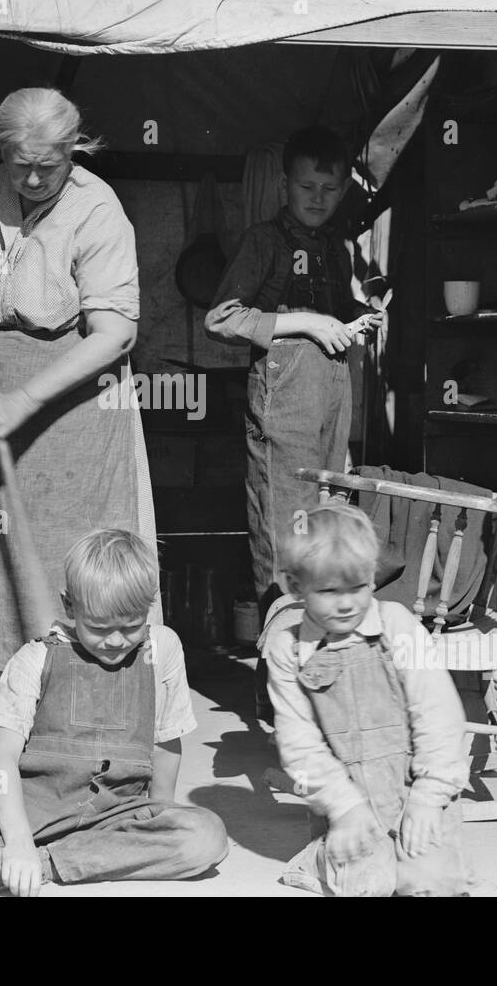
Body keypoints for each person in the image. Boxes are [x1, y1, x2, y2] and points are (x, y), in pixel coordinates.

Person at [0, 88, 158, 721]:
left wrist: (28, 398)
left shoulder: (97, 211)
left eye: (46, 166)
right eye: (17, 162)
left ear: (73, 151)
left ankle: (76, 704)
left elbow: (116, 334)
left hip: (70, 411)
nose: (29, 178)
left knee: (71, 554)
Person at [0, 529, 228, 896]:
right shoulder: (35, 658)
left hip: (115, 812)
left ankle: (44, 865)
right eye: (100, 628)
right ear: (70, 606)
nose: (117, 641)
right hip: (26, 808)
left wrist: (160, 815)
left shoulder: (163, 648)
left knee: (206, 838)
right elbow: (3, 756)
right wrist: (19, 840)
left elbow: (167, 742)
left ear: (150, 605)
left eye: (131, 626)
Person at [203, 126, 380, 624]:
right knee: (285, 526)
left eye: (330, 189)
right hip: (283, 407)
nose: (318, 199)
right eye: (307, 187)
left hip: (332, 400)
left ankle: (321, 648)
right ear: (284, 186)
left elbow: (337, 315)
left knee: (330, 519)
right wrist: (307, 321)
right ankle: (276, 664)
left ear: (344, 189)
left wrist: (358, 315)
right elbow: (221, 318)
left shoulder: (336, 248)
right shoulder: (263, 241)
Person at [262, 503, 471, 897]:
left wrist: (429, 796)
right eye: (328, 591)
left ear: (372, 579)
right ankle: (320, 856)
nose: (346, 604)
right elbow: (299, 744)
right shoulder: (288, 649)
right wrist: (344, 808)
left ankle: (405, 853)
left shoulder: (397, 625)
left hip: (416, 792)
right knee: (371, 884)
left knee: (433, 884)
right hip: (351, 805)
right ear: (295, 586)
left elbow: (438, 714)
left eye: (357, 587)